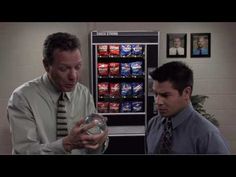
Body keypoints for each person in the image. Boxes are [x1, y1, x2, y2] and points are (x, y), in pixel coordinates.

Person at [7, 32, 109, 154]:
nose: (73, 76)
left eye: (77, 67)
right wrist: (66, 144)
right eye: (64, 69)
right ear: (46, 65)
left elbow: (92, 148)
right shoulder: (22, 98)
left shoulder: (84, 94)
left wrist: (100, 142)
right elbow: (23, 152)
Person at [146, 61, 230, 154]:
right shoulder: (153, 124)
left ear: (186, 93)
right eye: (156, 94)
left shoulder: (207, 134)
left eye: (165, 95)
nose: (158, 101)